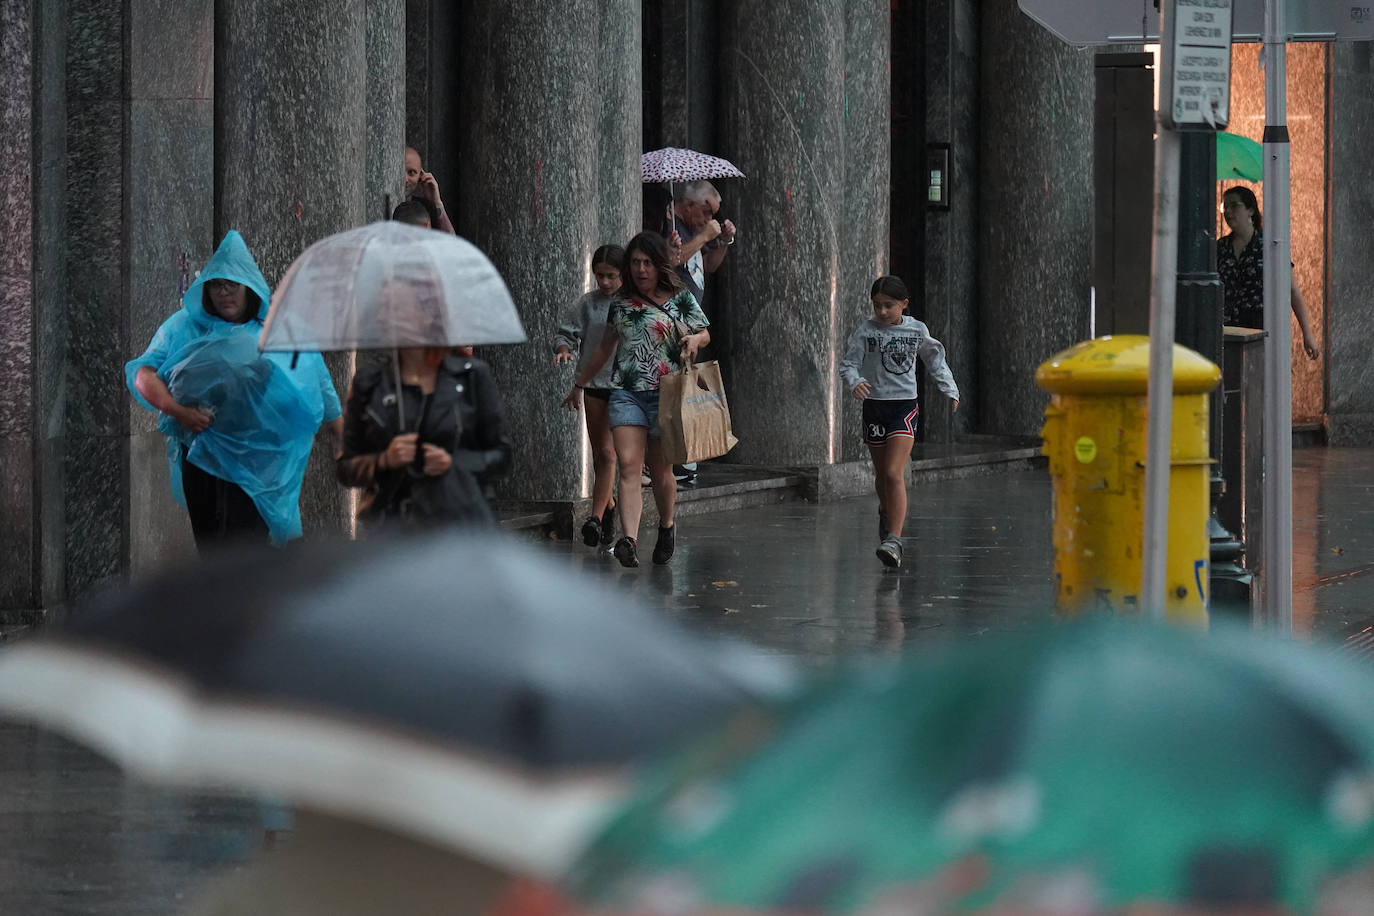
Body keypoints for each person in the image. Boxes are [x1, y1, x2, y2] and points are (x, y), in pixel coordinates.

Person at [126, 230, 342, 552]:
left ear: (249, 287)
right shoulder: (184, 326)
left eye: (232, 284)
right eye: (216, 285)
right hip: (202, 455)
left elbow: (317, 379)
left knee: (247, 547)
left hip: (259, 458)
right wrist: (178, 411)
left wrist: (342, 433)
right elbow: (143, 374)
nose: (224, 292)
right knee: (213, 548)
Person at [561, 232, 709, 568]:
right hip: (626, 392)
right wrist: (579, 384)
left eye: (647, 263)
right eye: (635, 263)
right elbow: (604, 348)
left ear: (658, 265)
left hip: (666, 395)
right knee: (628, 466)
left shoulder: (679, 298)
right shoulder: (621, 304)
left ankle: (667, 525)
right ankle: (629, 540)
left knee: (661, 472)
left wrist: (695, 340)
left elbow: (704, 331)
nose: (641, 269)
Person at [839, 275, 960, 569]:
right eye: (877, 305)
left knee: (894, 472)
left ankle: (894, 540)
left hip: (904, 407)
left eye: (889, 306)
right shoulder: (866, 331)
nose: (882, 312)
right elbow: (849, 364)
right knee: (882, 474)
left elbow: (935, 358)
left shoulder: (916, 330)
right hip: (875, 407)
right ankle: (886, 511)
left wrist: (950, 388)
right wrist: (855, 381)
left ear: (904, 304)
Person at [336, 345, 511, 531]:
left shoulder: (472, 376)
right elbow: (345, 468)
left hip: (460, 523)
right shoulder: (369, 383)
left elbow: (502, 456)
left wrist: (453, 463)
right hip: (391, 527)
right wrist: (384, 460)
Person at [552, 244, 626, 549]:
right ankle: (608, 508)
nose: (605, 282)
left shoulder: (632, 303)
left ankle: (595, 518)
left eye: (611, 276)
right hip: (594, 384)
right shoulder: (588, 303)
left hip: (626, 385)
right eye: (599, 275)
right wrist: (564, 350)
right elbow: (565, 333)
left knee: (611, 454)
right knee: (601, 454)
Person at [668, 180, 739, 484]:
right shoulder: (672, 226)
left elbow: (709, 265)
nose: (710, 218)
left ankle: (687, 458)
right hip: (673, 317)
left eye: (714, 213)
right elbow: (672, 260)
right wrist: (705, 235)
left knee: (687, 388)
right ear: (689, 205)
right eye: (707, 211)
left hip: (692, 318)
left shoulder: (695, 230)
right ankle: (676, 460)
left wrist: (721, 241)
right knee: (674, 388)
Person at [1218, 185, 1319, 360]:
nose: (1228, 212)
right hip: (1227, 333)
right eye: (1225, 207)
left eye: (1234, 206)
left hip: (1261, 332)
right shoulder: (1220, 247)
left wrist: (1307, 333)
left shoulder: (1269, 247)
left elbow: (1293, 291)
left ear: (1250, 210)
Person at [404, 146, 455, 235]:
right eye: (401, 171)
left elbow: (450, 241)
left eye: (411, 172)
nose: (405, 179)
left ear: (420, 176)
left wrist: (437, 202)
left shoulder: (424, 209)